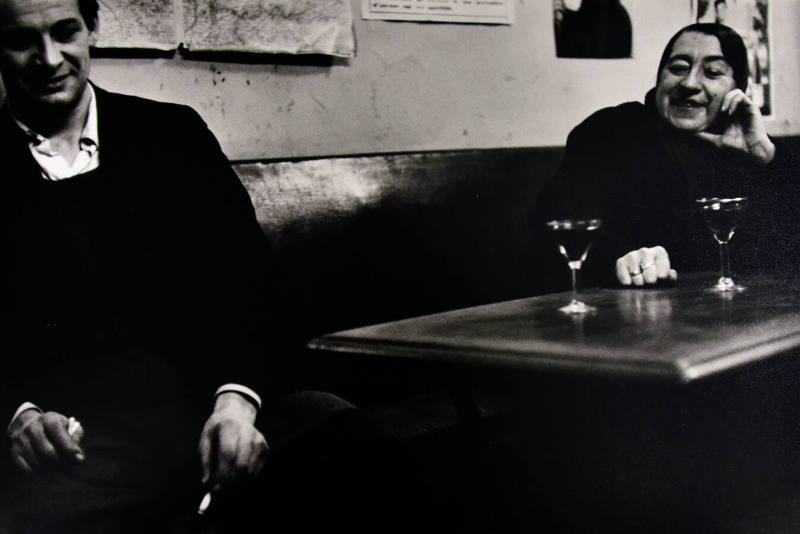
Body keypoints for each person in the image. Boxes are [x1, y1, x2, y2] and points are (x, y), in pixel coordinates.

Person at [0, 0, 419, 532]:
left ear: (92, 31)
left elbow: (258, 291)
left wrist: (237, 403)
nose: (48, 58)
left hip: (208, 413)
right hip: (78, 448)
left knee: (353, 444)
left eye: (65, 33)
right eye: (20, 41)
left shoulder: (172, 136)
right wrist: (18, 414)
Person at [532, 22, 795, 292]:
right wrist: (617, 259)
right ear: (659, 78)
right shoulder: (608, 131)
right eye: (678, 68)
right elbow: (557, 221)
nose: (690, 83)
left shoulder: (750, 151)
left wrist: (765, 154)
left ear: (739, 89)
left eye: (713, 72)